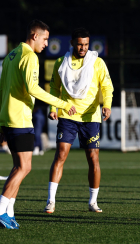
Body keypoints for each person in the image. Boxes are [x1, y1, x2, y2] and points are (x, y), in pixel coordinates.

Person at [0, 20, 76, 229]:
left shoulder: (11, 55)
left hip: (9, 118)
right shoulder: (30, 57)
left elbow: (1, 90)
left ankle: (9, 213)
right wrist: (62, 104)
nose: (47, 44)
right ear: (34, 35)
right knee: (24, 167)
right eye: (45, 39)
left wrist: (2, 122)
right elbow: (33, 88)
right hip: (20, 119)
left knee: (19, 167)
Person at [43, 27, 114, 214]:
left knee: (93, 158)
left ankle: (93, 201)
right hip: (67, 115)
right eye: (80, 44)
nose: (83, 48)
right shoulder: (61, 62)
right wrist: (53, 108)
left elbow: (107, 87)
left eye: (86, 44)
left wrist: (107, 105)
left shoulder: (97, 63)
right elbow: (54, 88)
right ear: (73, 43)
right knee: (61, 154)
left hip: (91, 117)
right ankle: (50, 201)